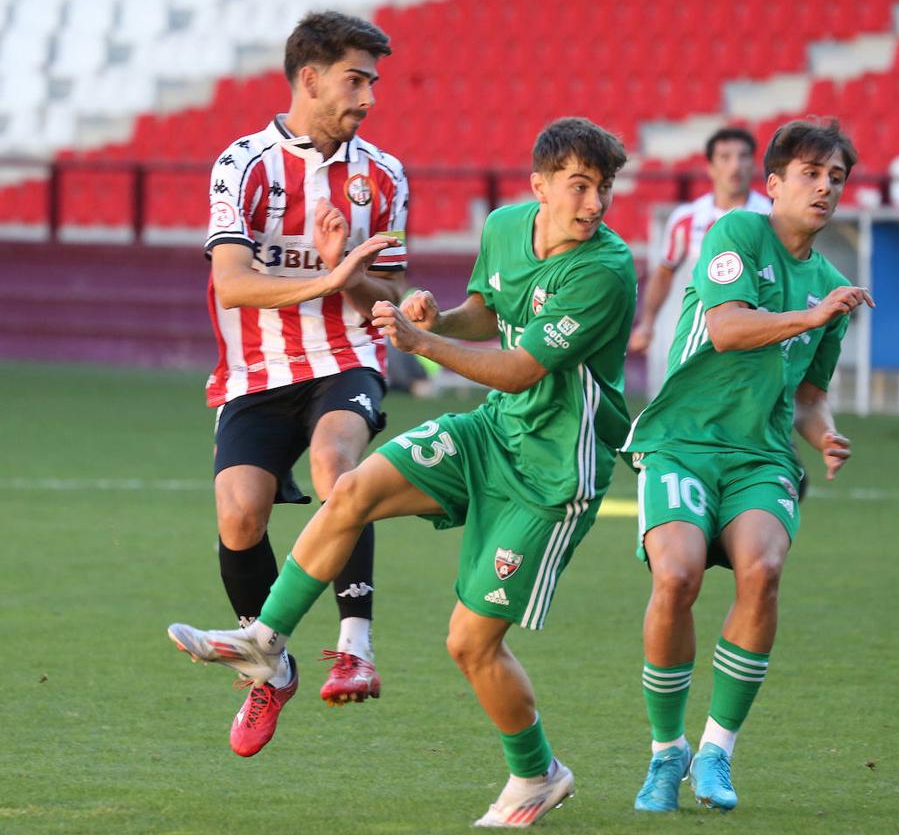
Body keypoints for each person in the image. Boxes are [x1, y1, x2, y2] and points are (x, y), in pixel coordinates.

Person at [169, 117, 637, 828]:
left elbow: (517, 370)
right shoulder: (508, 227)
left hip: (553, 473)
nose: (595, 203)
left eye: (604, 188)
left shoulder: (605, 268)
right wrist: (438, 316)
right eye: (580, 186)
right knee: (349, 488)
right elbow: (487, 313)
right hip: (493, 435)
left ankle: (538, 774)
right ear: (539, 185)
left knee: (470, 643)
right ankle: (267, 642)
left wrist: (420, 339)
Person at [622, 119, 874, 812]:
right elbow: (729, 329)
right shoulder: (736, 235)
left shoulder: (831, 288)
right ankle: (664, 753)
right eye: (811, 173)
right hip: (682, 440)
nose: (825, 187)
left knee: (762, 572)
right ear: (773, 185)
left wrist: (823, 435)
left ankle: (716, 754)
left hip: (761, 452)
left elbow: (809, 397)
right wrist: (812, 315)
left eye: (836, 178)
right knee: (676, 575)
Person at [199, 10, 408, 757]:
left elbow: (387, 297)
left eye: (374, 82)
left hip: (345, 357)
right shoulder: (244, 164)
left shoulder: (382, 175)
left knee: (335, 468)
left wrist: (349, 265)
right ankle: (271, 666)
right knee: (239, 518)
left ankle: (357, 643)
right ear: (310, 78)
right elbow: (232, 285)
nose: (369, 97)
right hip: (255, 370)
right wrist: (328, 273)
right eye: (356, 80)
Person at [628, 127, 772, 398]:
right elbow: (664, 272)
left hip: (755, 332)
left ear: (753, 164)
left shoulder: (771, 217)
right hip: (700, 336)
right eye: (725, 157)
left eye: (743, 157)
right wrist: (647, 323)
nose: (735, 165)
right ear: (710, 166)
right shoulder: (687, 218)